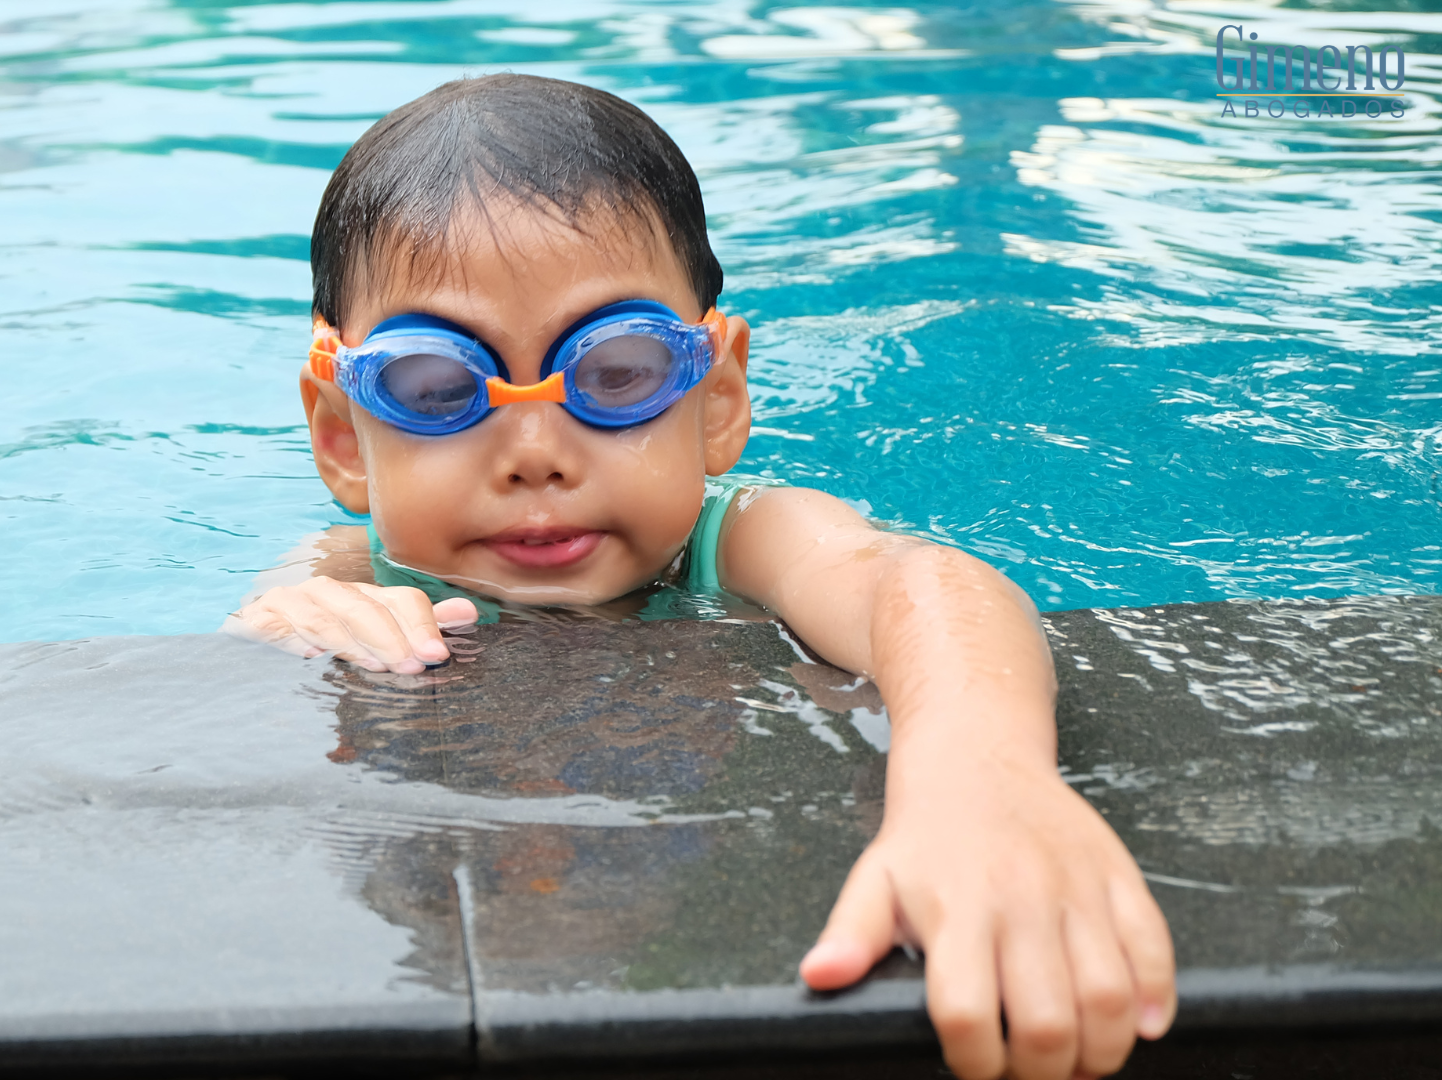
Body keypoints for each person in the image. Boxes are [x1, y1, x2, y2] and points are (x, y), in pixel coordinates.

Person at [224, 73, 1175, 1080]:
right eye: (437, 388)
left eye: (618, 371)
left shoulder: (746, 538)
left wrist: (979, 776)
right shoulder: (348, 567)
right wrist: (283, 631)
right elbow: (243, 663)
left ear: (716, 399)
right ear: (342, 435)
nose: (535, 453)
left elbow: (923, 585)